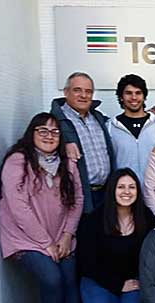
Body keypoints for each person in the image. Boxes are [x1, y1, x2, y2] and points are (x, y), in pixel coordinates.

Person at [0, 112, 85, 303]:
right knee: (52, 279)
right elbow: (18, 206)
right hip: (26, 238)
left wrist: (67, 235)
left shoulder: (67, 163)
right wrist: (45, 243)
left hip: (61, 235)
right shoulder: (18, 161)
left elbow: (77, 200)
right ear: (31, 133)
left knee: (69, 280)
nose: (49, 136)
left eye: (55, 132)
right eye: (43, 131)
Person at [77, 168, 155, 303]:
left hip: (134, 280)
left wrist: (144, 280)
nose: (126, 192)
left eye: (131, 187)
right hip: (100, 279)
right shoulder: (94, 220)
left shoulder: (145, 217)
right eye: (121, 187)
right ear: (112, 190)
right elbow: (87, 263)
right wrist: (118, 285)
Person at [50, 72, 114, 213]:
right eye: (77, 90)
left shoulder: (98, 118)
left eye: (88, 91)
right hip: (77, 195)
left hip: (105, 193)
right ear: (66, 92)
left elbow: (121, 124)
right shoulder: (55, 121)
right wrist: (65, 141)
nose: (84, 95)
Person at [107, 74, 155, 184]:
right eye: (128, 93)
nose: (134, 97)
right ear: (121, 97)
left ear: (144, 96)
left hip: (154, 193)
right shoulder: (110, 126)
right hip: (125, 193)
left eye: (138, 93)